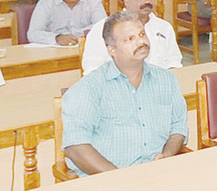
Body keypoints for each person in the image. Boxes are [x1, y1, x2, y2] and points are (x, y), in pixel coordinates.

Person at [62, 11, 187, 176]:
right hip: (107, 179)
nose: (141, 42)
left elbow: (178, 126)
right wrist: (120, 178)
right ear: (112, 49)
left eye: (142, 34)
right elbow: (75, 146)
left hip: (158, 174)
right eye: (130, 39)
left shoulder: (166, 79)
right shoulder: (90, 88)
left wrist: (167, 156)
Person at [82, 0, 182, 75]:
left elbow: (174, 60)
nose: (147, 1)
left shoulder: (164, 27)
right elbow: (92, 67)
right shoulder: (104, 28)